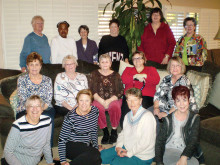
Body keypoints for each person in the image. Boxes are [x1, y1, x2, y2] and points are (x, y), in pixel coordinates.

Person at [101, 88, 156, 165]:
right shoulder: (127, 115)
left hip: (141, 155)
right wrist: (118, 146)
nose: (132, 103)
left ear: (140, 101)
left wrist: (129, 153)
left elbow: (145, 142)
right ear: (126, 101)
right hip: (126, 146)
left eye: (135, 100)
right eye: (129, 100)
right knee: (102, 157)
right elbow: (123, 133)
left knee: (115, 163)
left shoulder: (147, 116)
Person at [1, 95, 54, 165]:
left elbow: (46, 144)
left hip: (33, 161)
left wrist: (50, 162)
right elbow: (8, 152)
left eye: (38, 105)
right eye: (31, 106)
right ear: (26, 109)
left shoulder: (47, 121)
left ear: (42, 108)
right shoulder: (18, 125)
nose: (35, 109)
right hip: (13, 160)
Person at [155, 85, 201, 165]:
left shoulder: (195, 118)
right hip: (168, 151)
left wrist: (184, 156)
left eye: (184, 100)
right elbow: (159, 142)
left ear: (189, 101)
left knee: (195, 163)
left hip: (185, 152)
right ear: (174, 102)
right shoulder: (167, 119)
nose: (182, 104)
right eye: (178, 100)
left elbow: (193, 140)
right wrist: (159, 163)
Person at [16, 52, 55, 146]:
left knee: (48, 118)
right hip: (26, 108)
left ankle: (47, 148)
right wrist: (34, 110)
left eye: (36, 64)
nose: (34, 67)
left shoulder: (47, 80)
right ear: (27, 66)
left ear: (40, 66)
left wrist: (39, 110)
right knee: (27, 118)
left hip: (45, 108)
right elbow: (23, 98)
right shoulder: (22, 80)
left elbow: (48, 99)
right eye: (31, 65)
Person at [58, 89, 101, 165]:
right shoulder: (71, 116)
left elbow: (94, 131)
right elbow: (62, 139)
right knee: (95, 154)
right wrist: (62, 160)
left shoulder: (95, 111)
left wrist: (95, 146)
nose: (84, 103)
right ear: (77, 101)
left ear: (91, 101)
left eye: (87, 100)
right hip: (70, 146)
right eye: (81, 100)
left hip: (85, 145)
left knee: (97, 160)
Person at [88, 54, 124, 144]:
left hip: (113, 99)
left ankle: (114, 131)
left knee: (115, 106)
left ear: (110, 63)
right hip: (98, 99)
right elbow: (91, 89)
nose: (104, 64)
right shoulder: (94, 74)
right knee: (96, 106)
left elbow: (121, 90)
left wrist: (109, 100)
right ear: (99, 64)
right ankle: (105, 132)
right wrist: (101, 101)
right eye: (102, 62)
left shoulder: (116, 75)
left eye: (107, 61)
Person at [120, 51, 160, 127]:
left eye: (139, 58)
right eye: (134, 58)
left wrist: (145, 76)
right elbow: (123, 80)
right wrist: (135, 76)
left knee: (142, 117)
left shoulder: (151, 69)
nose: (137, 60)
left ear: (144, 60)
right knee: (125, 117)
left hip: (146, 96)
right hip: (130, 96)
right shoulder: (128, 69)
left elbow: (156, 80)